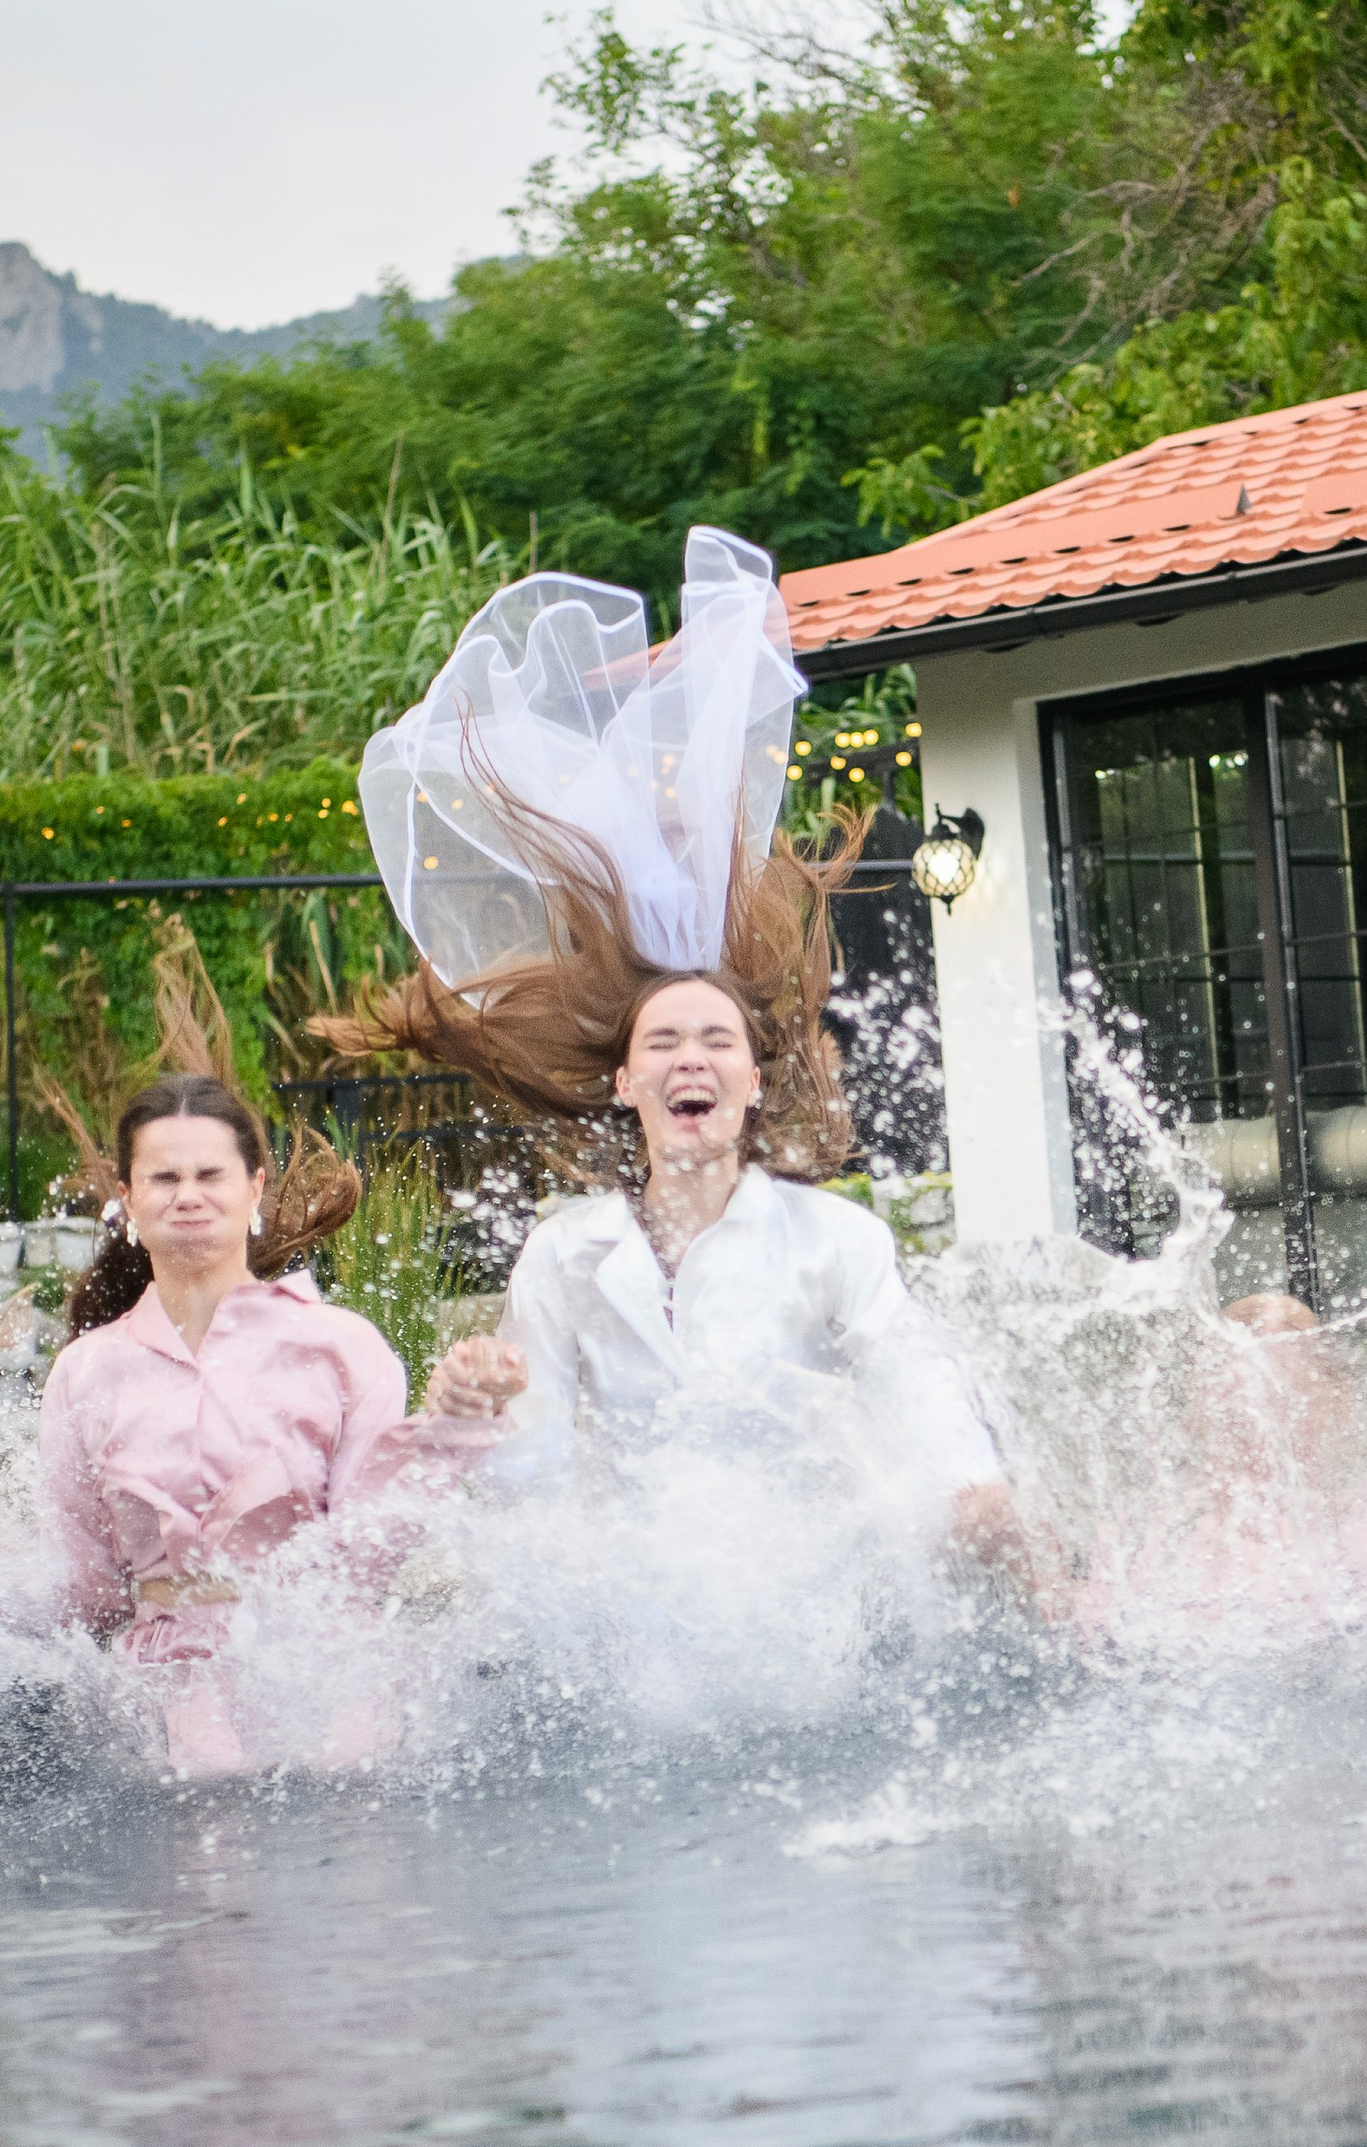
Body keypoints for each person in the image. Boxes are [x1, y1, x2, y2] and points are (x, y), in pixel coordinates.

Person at [316, 525, 1022, 1567]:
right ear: (625, 1081)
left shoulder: (834, 1243)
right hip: (651, 1614)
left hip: (820, 1590)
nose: (690, 1058)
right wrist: (465, 1409)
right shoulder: (565, 1251)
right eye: (664, 1043)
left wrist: (976, 1494)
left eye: (714, 1042)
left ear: (750, 1079)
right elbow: (528, 1483)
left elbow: (913, 1386)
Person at [34, 1068, 406, 1778]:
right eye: (164, 1179)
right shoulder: (85, 1373)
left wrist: (459, 1425)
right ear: (127, 1200)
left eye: (212, 1174)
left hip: (325, 1681)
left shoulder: (343, 1347)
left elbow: (375, 1548)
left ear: (255, 1187)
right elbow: (81, 1585)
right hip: (162, 1700)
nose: (190, 1197)